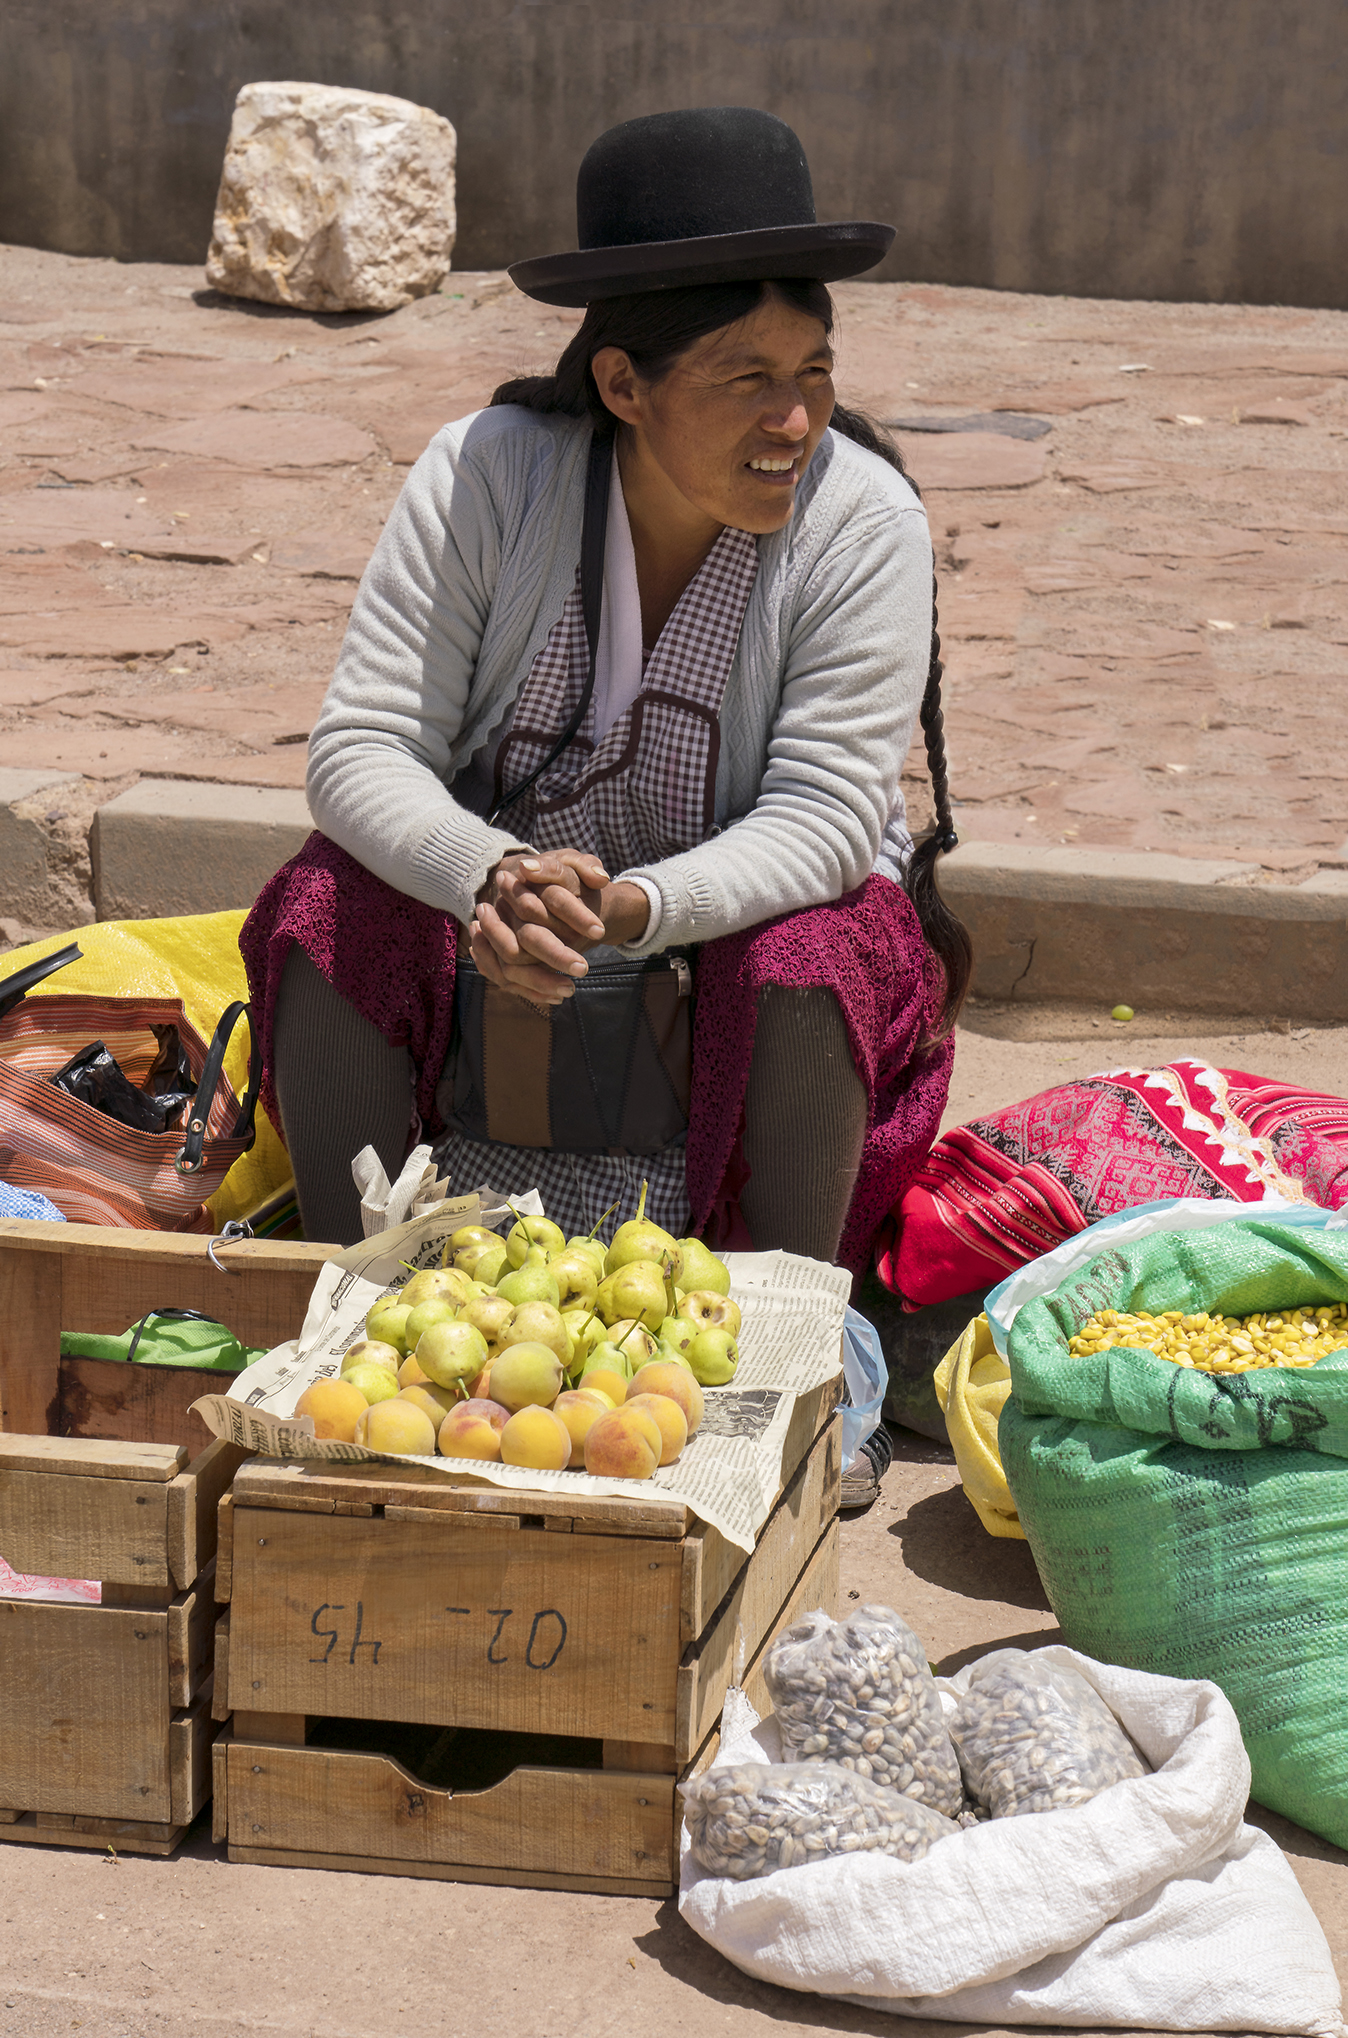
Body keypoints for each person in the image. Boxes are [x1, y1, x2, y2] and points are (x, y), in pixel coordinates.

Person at [241, 106, 970, 1298]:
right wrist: (488, 875)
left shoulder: (864, 519)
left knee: (815, 945)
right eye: (747, 379)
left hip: (725, 938)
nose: (792, 420)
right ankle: (363, 1295)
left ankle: (790, 1338)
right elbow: (362, 747)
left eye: (813, 374)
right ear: (625, 383)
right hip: (502, 926)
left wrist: (631, 908)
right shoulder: (487, 473)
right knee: (328, 899)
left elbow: (832, 819)